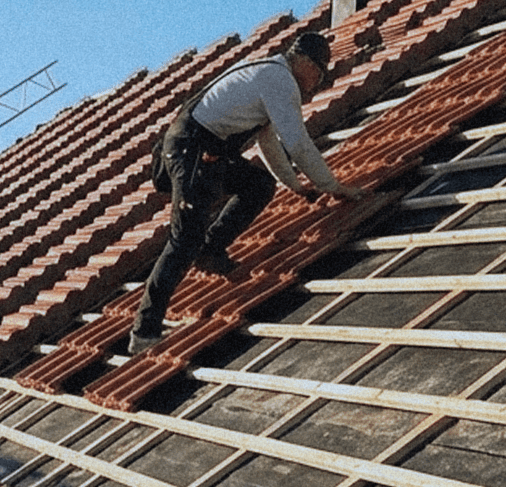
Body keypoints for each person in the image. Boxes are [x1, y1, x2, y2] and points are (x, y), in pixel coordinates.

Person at [128, 32, 364, 355]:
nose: (318, 83)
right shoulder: (281, 80)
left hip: (206, 150)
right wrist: (332, 186)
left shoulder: (267, 73)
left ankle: (211, 249)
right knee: (184, 239)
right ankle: (145, 332)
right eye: (319, 75)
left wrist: (295, 186)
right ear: (306, 63)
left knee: (258, 184)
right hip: (193, 150)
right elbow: (297, 143)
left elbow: (268, 144)